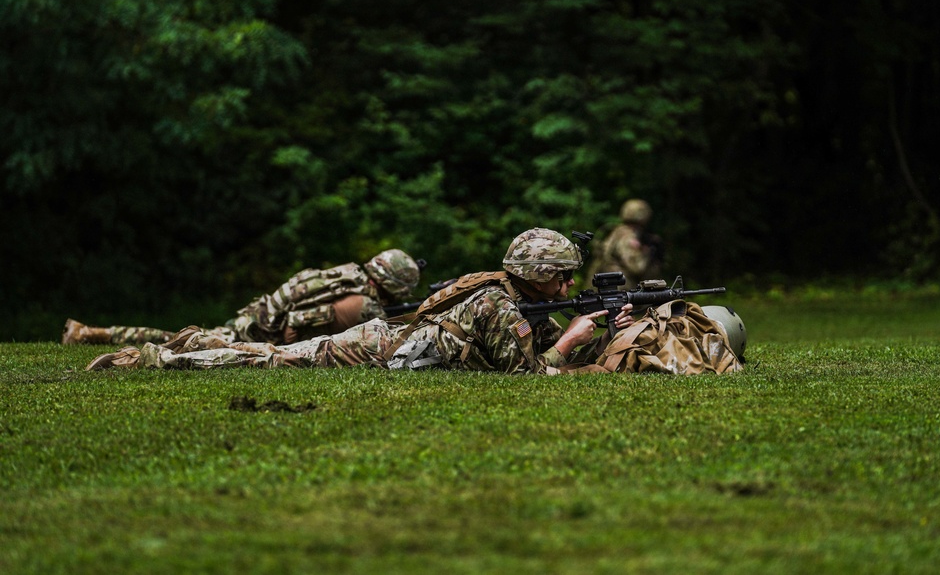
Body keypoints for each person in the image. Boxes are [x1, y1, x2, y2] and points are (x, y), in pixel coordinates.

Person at [85, 228, 634, 374]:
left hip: (385, 340)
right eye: (561, 278)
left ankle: (193, 344)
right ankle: (165, 357)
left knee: (273, 356)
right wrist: (570, 339)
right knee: (273, 359)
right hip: (374, 348)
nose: (566, 288)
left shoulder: (501, 291)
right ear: (537, 275)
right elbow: (529, 377)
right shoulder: (496, 303)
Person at [65, 249, 422, 347]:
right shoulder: (363, 303)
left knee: (183, 337)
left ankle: (91, 332)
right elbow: (298, 326)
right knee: (180, 341)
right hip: (261, 333)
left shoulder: (349, 274)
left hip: (258, 313)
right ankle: (90, 334)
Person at [586, 199, 663, 289]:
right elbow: (637, 267)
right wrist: (649, 253)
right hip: (620, 291)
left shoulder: (617, 232)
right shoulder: (628, 236)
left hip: (610, 288)